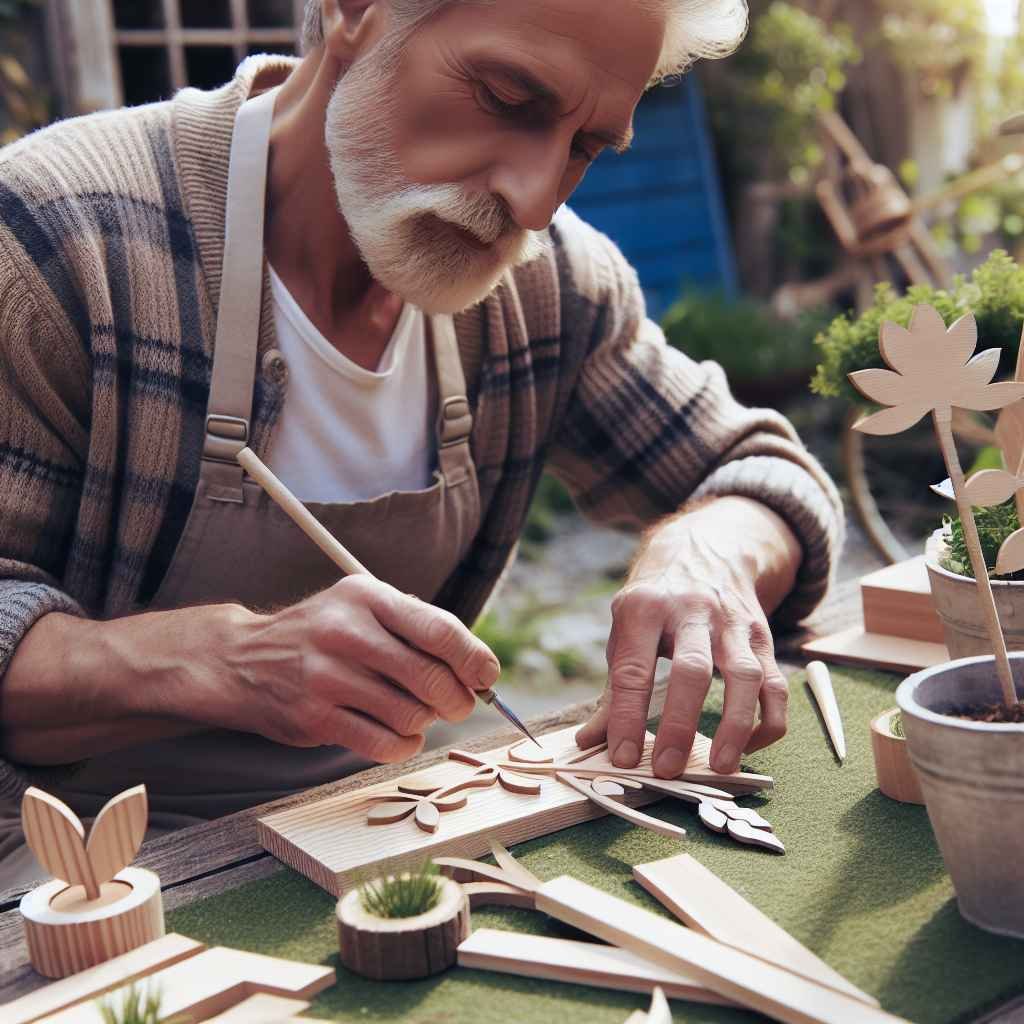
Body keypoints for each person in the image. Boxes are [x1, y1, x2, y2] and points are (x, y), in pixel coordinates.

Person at [0, 0, 841, 885]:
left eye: (587, 147)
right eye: (510, 97)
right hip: (55, 876)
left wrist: (708, 550)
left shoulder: (547, 286)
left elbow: (765, 475)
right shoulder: (55, 240)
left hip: (374, 836)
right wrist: (227, 659)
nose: (535, 196)